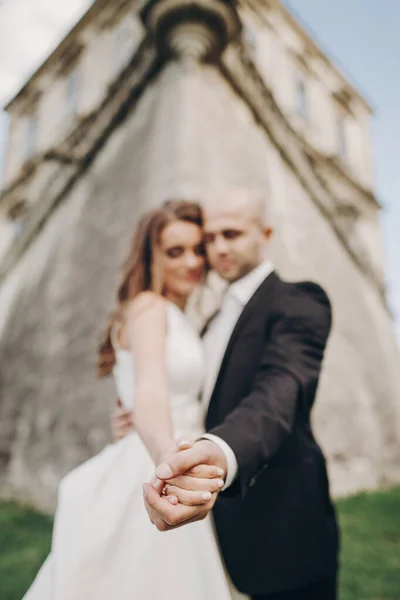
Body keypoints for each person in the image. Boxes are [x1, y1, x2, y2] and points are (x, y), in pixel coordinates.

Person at [116, 187, 340, 600]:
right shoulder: (208, 319)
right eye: (210, 238)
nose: (217, 249)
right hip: (218, 522)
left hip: (287, 530)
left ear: (264, 233)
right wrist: (137, 418)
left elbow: (279, 393)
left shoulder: (299, 300)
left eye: (232, 235)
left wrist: (218, 450)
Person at [23, 200, 235, 600]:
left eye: (197, 249)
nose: (192, 261)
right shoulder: (149, 307)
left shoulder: (174, 315)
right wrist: (168, 461)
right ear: (150, 257)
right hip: (156, 461)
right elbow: (150, 391)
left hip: (163, 450)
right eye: (175, 251)